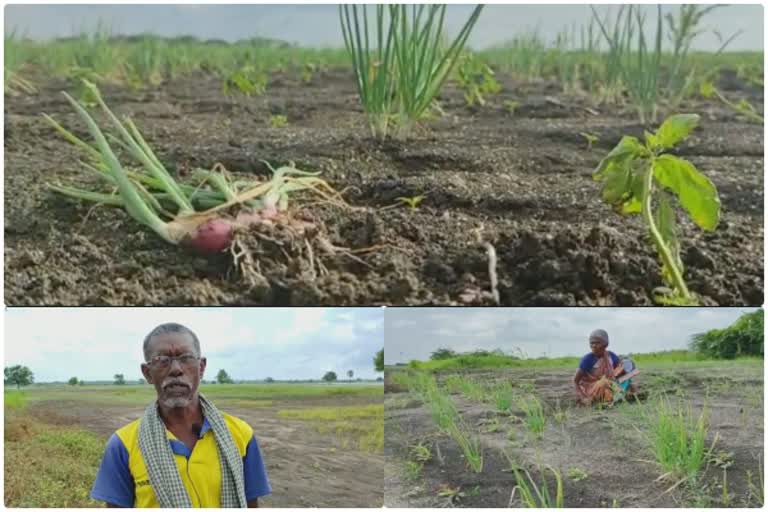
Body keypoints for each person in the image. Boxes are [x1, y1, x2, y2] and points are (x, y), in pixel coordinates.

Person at [91, 323, 271, 508]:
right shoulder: (123, 444)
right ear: (147, 373)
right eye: (162, 359)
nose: (176, 369)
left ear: (201, 367)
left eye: (186, 358)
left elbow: (250, 504)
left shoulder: (240, 434)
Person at [574, 329, 625, 405]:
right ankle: (609, 398)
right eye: (592, 343)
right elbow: (576, 381)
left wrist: (626, 376)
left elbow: (620, 373)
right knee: (604, 383)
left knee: (628, 383)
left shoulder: (611, 356)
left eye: (598, 343)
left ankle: (616, 397)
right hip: (591, 389)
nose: (594, 345)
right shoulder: (587, 359)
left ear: (606, 344)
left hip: (609, 385)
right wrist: (584, 398)